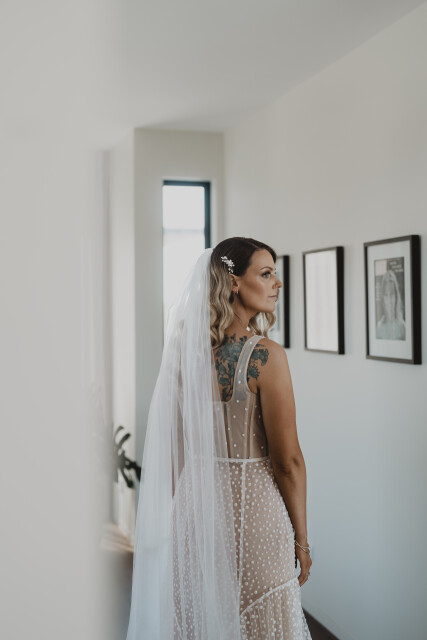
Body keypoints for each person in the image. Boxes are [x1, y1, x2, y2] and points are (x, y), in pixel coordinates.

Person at [125, 237, 312, 640]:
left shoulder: (183, 354)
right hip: (254, 520)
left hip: (194, 513)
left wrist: (182, 524)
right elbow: (288, 463)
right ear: (234, 282)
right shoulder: (266, 356)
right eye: (266, 273)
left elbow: (174, 452)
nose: (278, 283)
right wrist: (302, 539)